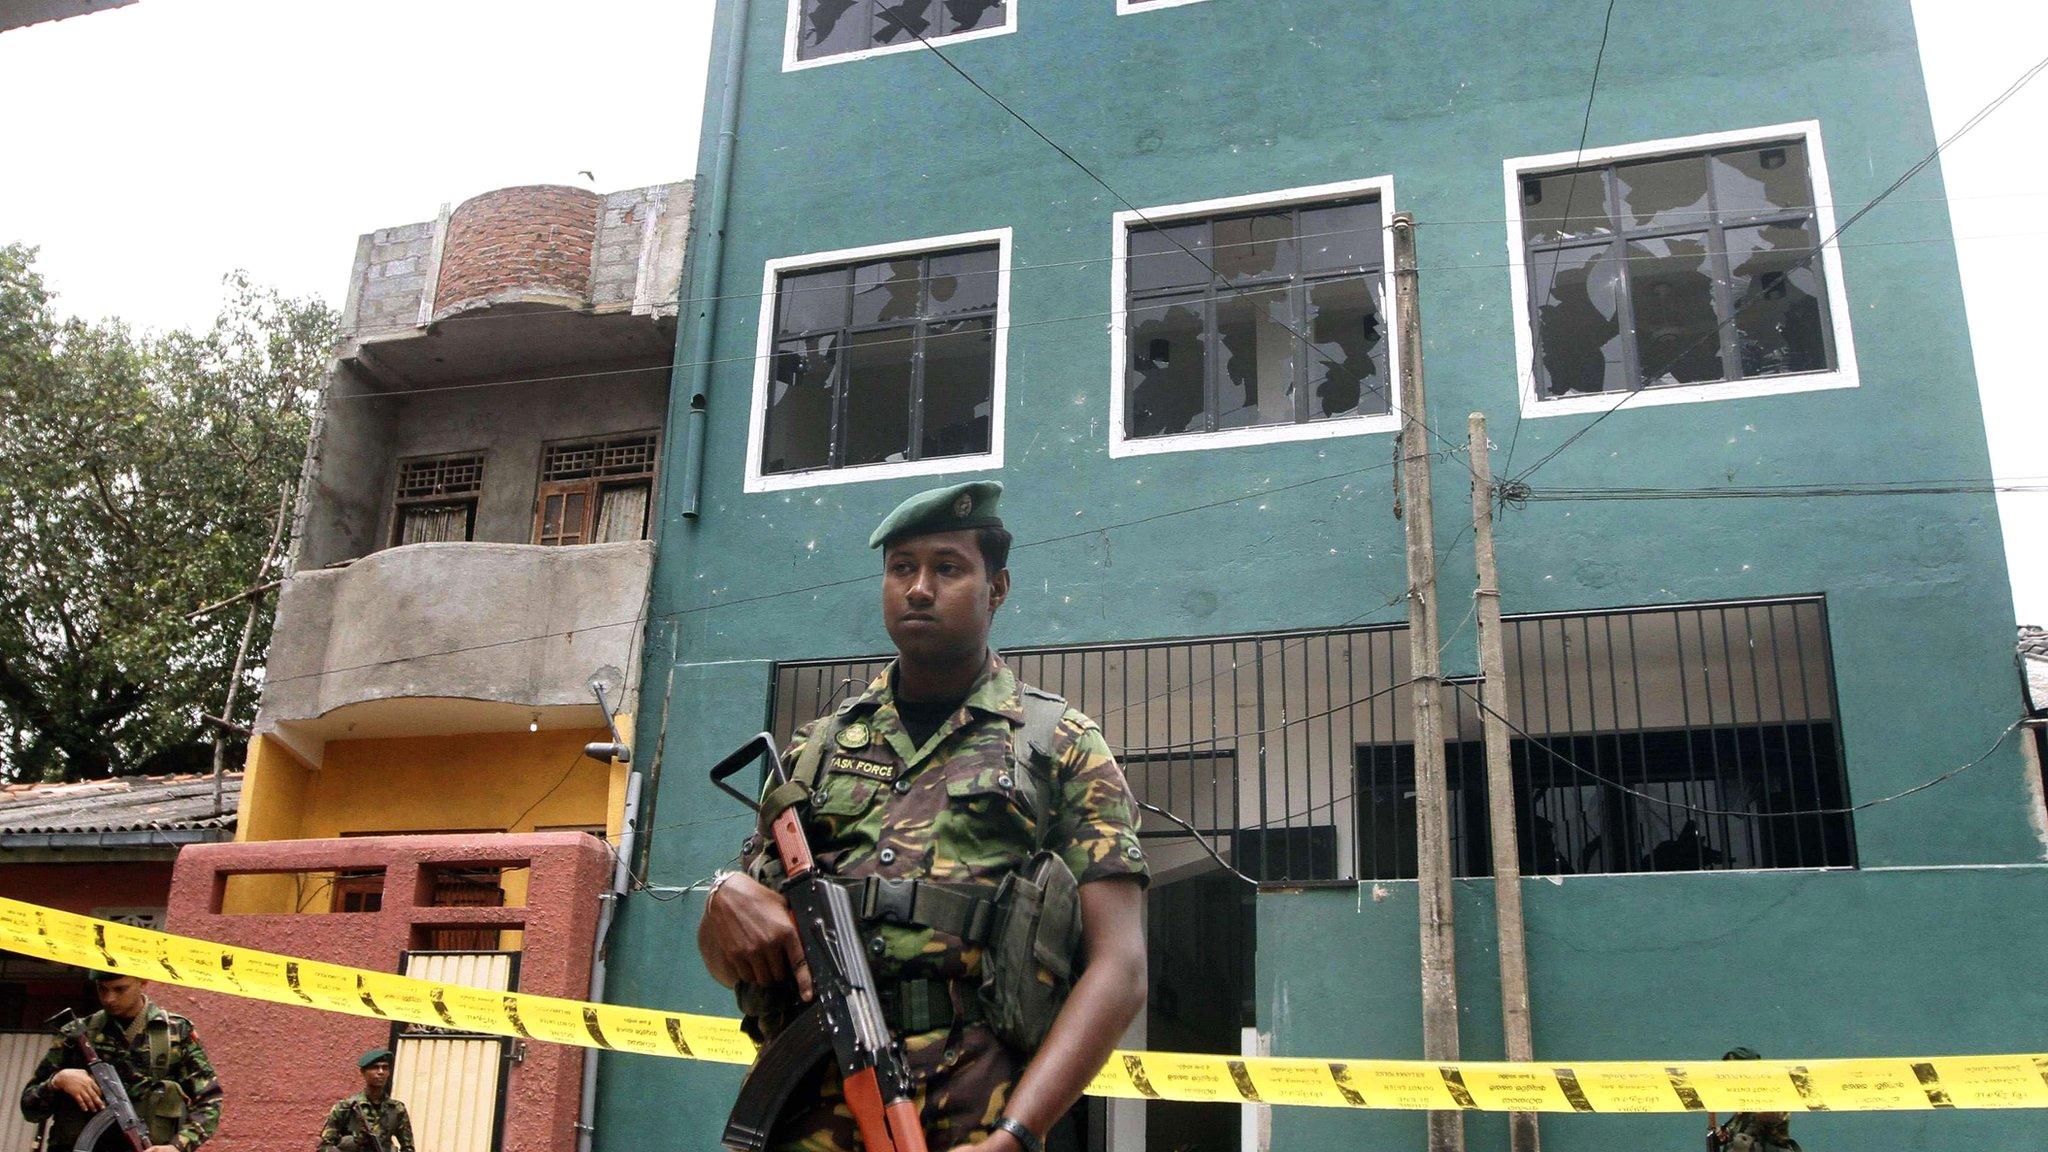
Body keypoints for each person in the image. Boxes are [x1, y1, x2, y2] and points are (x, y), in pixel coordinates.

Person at [698, 480, 1150, 1152]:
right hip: (806, 1107)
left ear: (996, 589)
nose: (917, 588)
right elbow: (735, 951)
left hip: (971, 1113)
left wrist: (1017, 1135)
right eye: (901, 568)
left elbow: (1121, 967)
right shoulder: (818, 749)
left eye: (947, 568)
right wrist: (722, 899)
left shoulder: (1059, 744)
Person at [19, 971, 222, 1152]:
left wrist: (177, 1146)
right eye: (102, 989)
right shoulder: (77, 1034)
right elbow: (30, 1108)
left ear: (143, 980)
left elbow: (209, 1100)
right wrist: (58, 1081)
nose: (109, 998)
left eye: (120, 989)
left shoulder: (176, 1033)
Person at [317, 1049, 413, 1152]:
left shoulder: (397, 1109)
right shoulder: (346, 1107)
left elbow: (408, 1148)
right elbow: (324, 1146)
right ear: (363, 1072)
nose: (381, 1072)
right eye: (375, 1068)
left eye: (385, 1068)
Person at [1708, 1048, 1802, 1152]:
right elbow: (1743, 1130)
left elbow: (1771, 1116)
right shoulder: (1742, 1106)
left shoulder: (1769, 1096)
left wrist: (1760, 1096)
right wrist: (1726, 1133)